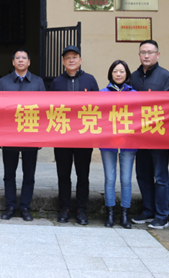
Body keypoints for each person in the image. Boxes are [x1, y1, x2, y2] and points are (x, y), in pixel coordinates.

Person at [130, 40, 169, 229]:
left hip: (159, 135)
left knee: (160, 176)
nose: (146, 55)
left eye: (150, 52)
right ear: (139, 55)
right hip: (138, 135)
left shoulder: (167, 77)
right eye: (143, 52)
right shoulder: (132, 77)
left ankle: (162, 215)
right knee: (142, 174)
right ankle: (148, 210)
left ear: (157, 55)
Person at [50, 45, 99, 225]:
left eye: (74, 57)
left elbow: (99, 106)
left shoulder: (90, 80)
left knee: (82, 174)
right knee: (63, 174)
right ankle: (64, 208)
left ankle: (81, 209)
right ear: (63, 62)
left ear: (80, 60)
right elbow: (49, 108)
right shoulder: (56, 83)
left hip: (84, 136)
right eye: (67, 57)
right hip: (62, 135)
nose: (71, 60)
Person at [0, 49, 46, 222]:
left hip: (30, 135)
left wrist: (41, 136)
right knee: (9, 174)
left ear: (29, 62)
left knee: (29, 174)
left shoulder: (38, 82)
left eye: (24, 58)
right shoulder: (4, 82)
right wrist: (0, 135)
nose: (20, 60)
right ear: (13, 62)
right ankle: (10, 206)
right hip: (9, 135)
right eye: (17, 58)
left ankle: (25, 206)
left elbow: (43, 111)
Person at [99, 60, 137, 229]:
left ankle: (125, 215)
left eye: (122, 71)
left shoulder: (134, 94)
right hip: (108, 142)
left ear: (127, 74)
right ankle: (110, 214)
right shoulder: (102, 93)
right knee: (110, 179)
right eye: (115, 71)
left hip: (128, 143)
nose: (118, 74)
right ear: (111, 74)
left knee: (126, 180)